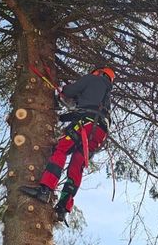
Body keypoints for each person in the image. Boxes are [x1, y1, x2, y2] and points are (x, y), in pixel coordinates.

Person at [20, 66, 114, 225]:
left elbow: (71, 91)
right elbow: (87, 108)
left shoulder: (93, 79)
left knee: (60, 149)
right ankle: (63, 208)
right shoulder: (106, 96)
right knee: (77, 166)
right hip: (99, 133)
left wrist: (63, 92)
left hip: (86, 124)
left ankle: (45, 190)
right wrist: (63, 116)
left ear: (99, 73)